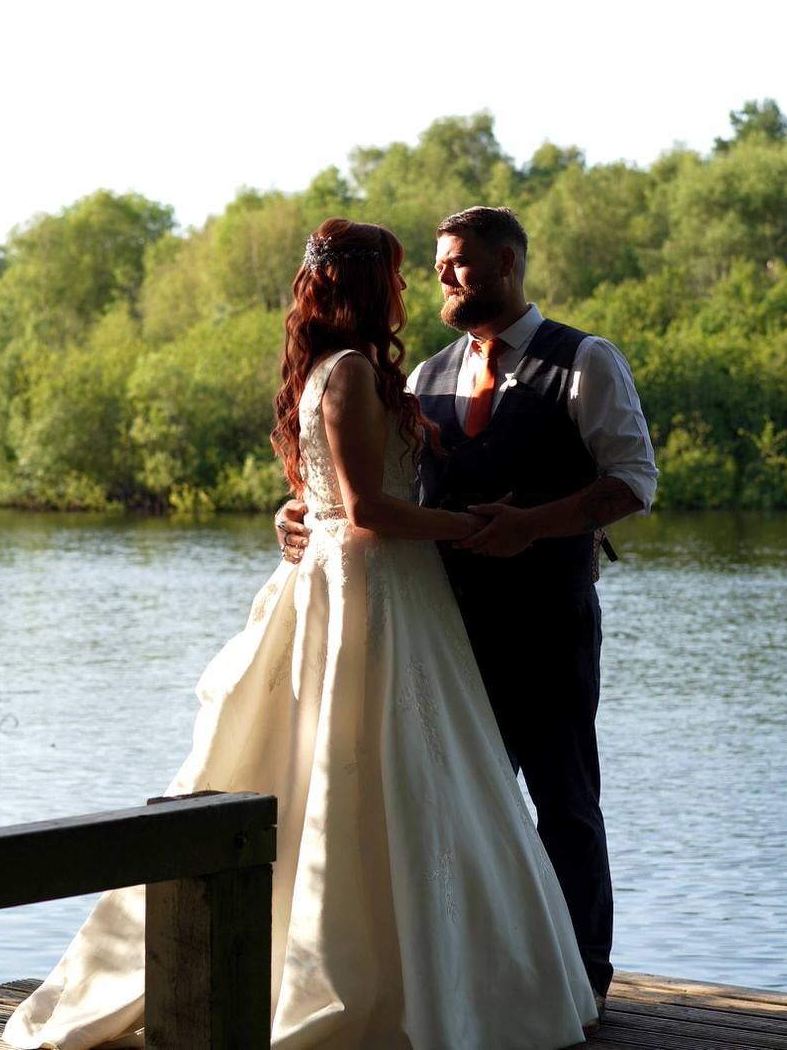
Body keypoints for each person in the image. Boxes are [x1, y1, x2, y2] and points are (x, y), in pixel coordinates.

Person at [4, 218, 598, 1050]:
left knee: (389, 768)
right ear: (367, 284)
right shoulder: (353, 372)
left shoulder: (351, 369)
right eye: (401, 273)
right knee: (369, 767)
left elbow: (333, 497)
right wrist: (471, 526)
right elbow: (363, 510)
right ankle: (397, 978)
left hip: (382, 585)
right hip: (373, 590)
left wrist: (309, 514)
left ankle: (405, 964)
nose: (411, 289)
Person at [278, 206, 657, 1019]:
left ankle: (582, 976)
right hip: (435, 628)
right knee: (453, 801)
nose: (443, 277)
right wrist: (299, 511)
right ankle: (471, 972)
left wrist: (534, 524)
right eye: (438, 264)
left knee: (565, 801)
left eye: (459, 263)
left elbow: (633, 482)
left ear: (509, 264)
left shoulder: (585, 361)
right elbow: (372, 494)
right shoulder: (423, 376)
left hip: (549, 623)